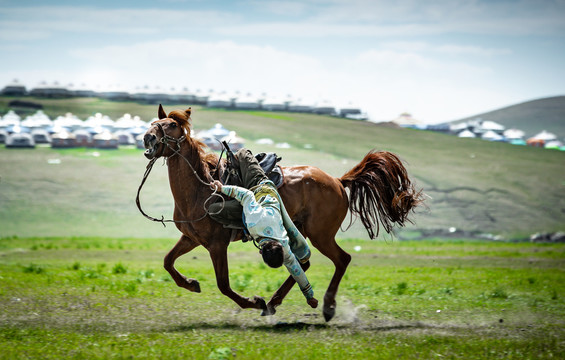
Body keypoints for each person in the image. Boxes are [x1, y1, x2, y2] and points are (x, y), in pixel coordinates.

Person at [210, 148, 318, 309]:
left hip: (262, 207)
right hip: (259, 186)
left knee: (214, 210)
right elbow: (246, 195)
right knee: (242, 153)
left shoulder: (284, 247)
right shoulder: (255, 222)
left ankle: (239, 224)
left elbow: (298, 272)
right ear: (262, 252)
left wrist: (310, 296)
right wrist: (221, 189)